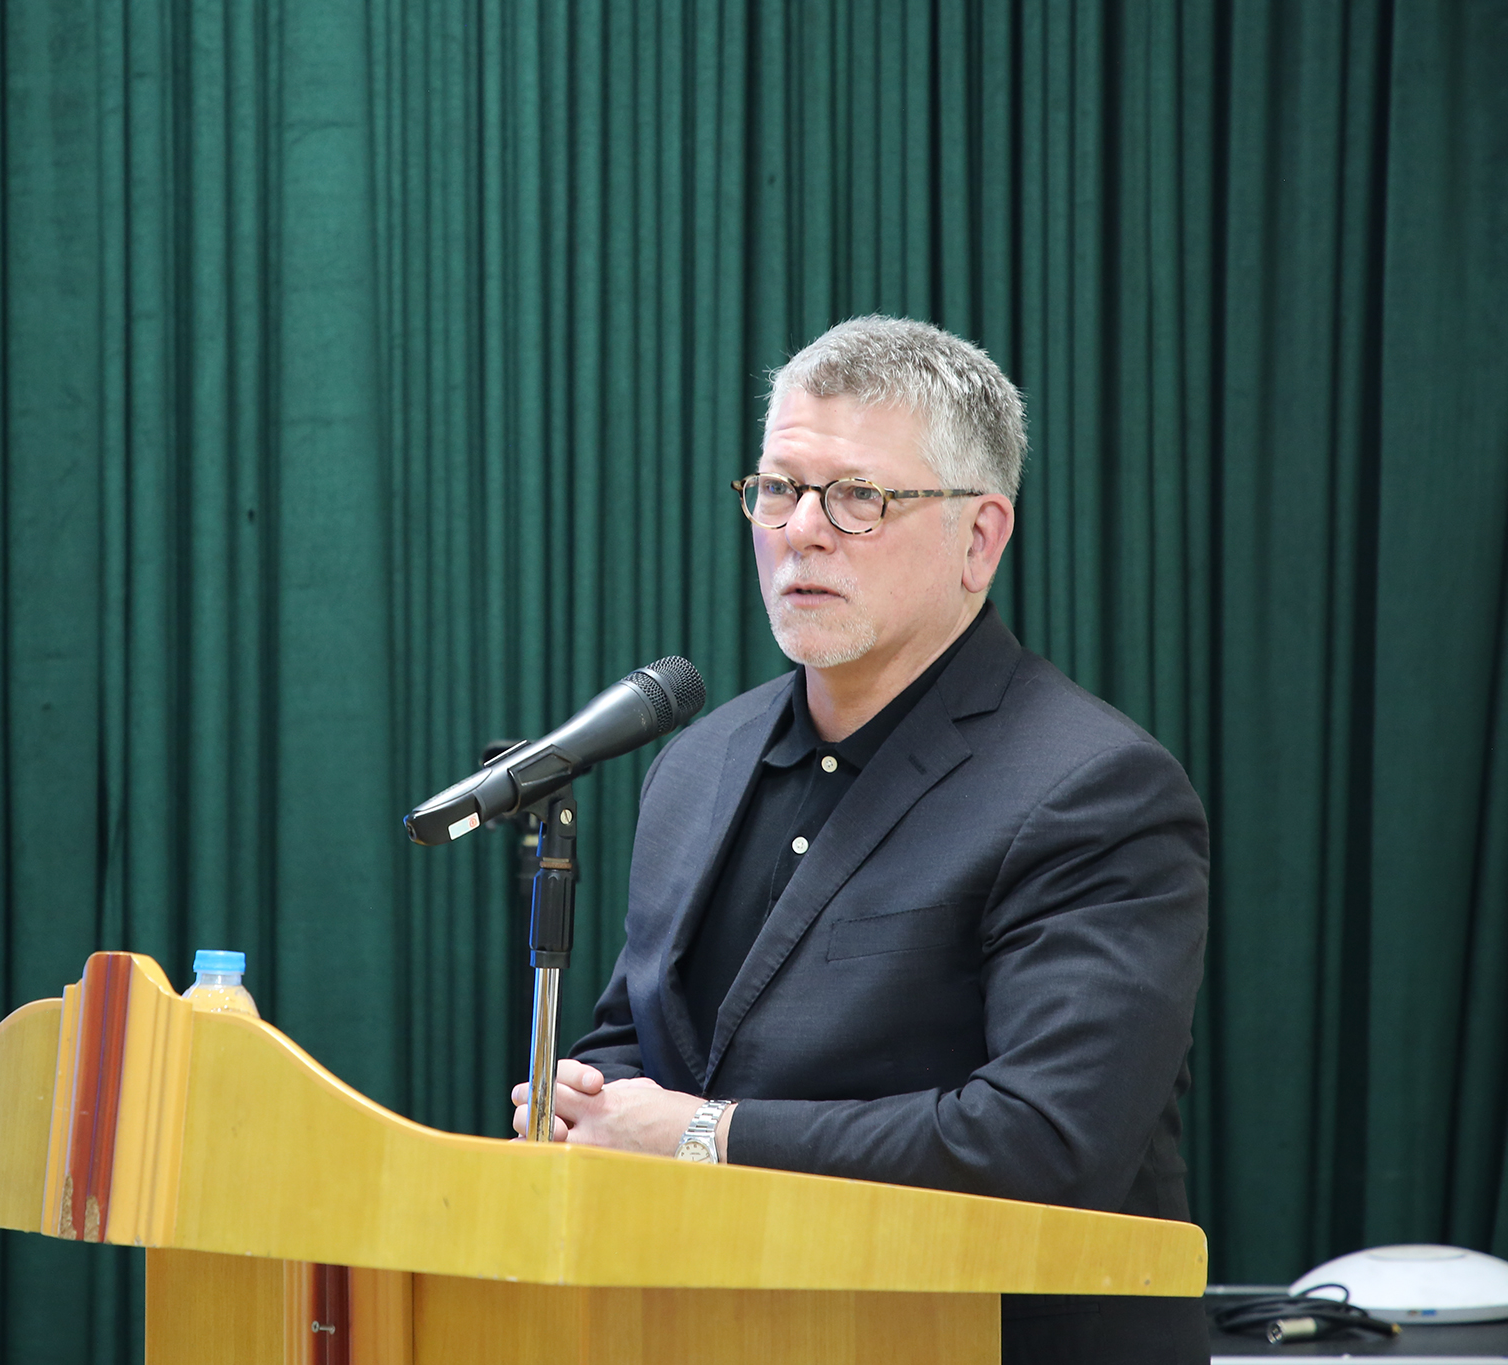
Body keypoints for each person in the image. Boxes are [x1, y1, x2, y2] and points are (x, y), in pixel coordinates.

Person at [510, 316, 1210, 1364]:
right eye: (778, 488)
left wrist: (701, 1136)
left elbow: (1044, 1144)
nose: (800, 530)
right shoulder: (696, 763)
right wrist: (584, 1103)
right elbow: (640, 1039)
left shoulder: (1092, 788)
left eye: (858, 497)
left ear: (979, 538)